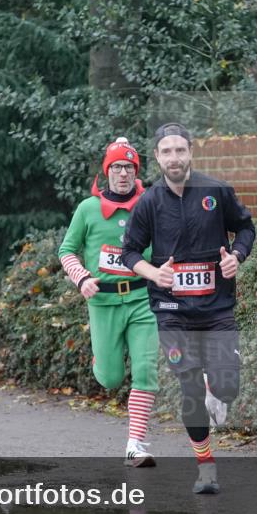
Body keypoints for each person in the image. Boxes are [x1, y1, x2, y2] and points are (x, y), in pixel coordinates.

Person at [121, 122, 256, 494]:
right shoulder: (149, 201)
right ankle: (206, 468)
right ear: (158, 158)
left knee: (227, 388)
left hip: (216, 309)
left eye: (180, 150)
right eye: (167, 152)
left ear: (191, 152)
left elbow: (245, 229)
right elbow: (129, 251)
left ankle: (218, 386)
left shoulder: (215, 191)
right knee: (190, 388)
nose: (174, 158)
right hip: (171, 310)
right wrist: (153, 273)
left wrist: (237, 258)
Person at [58, 137, 159, 467]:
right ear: (106, 172)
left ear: (136, 172)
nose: (123, 174)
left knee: (146, 369)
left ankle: (135, 443)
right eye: (116, 167)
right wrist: (82, 278)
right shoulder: (88, 209)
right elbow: (67, 250)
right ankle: (101, 362)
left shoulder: (152, 204)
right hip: (103, 302)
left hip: (143, 298)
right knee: (112, 378)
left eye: (129, 167)